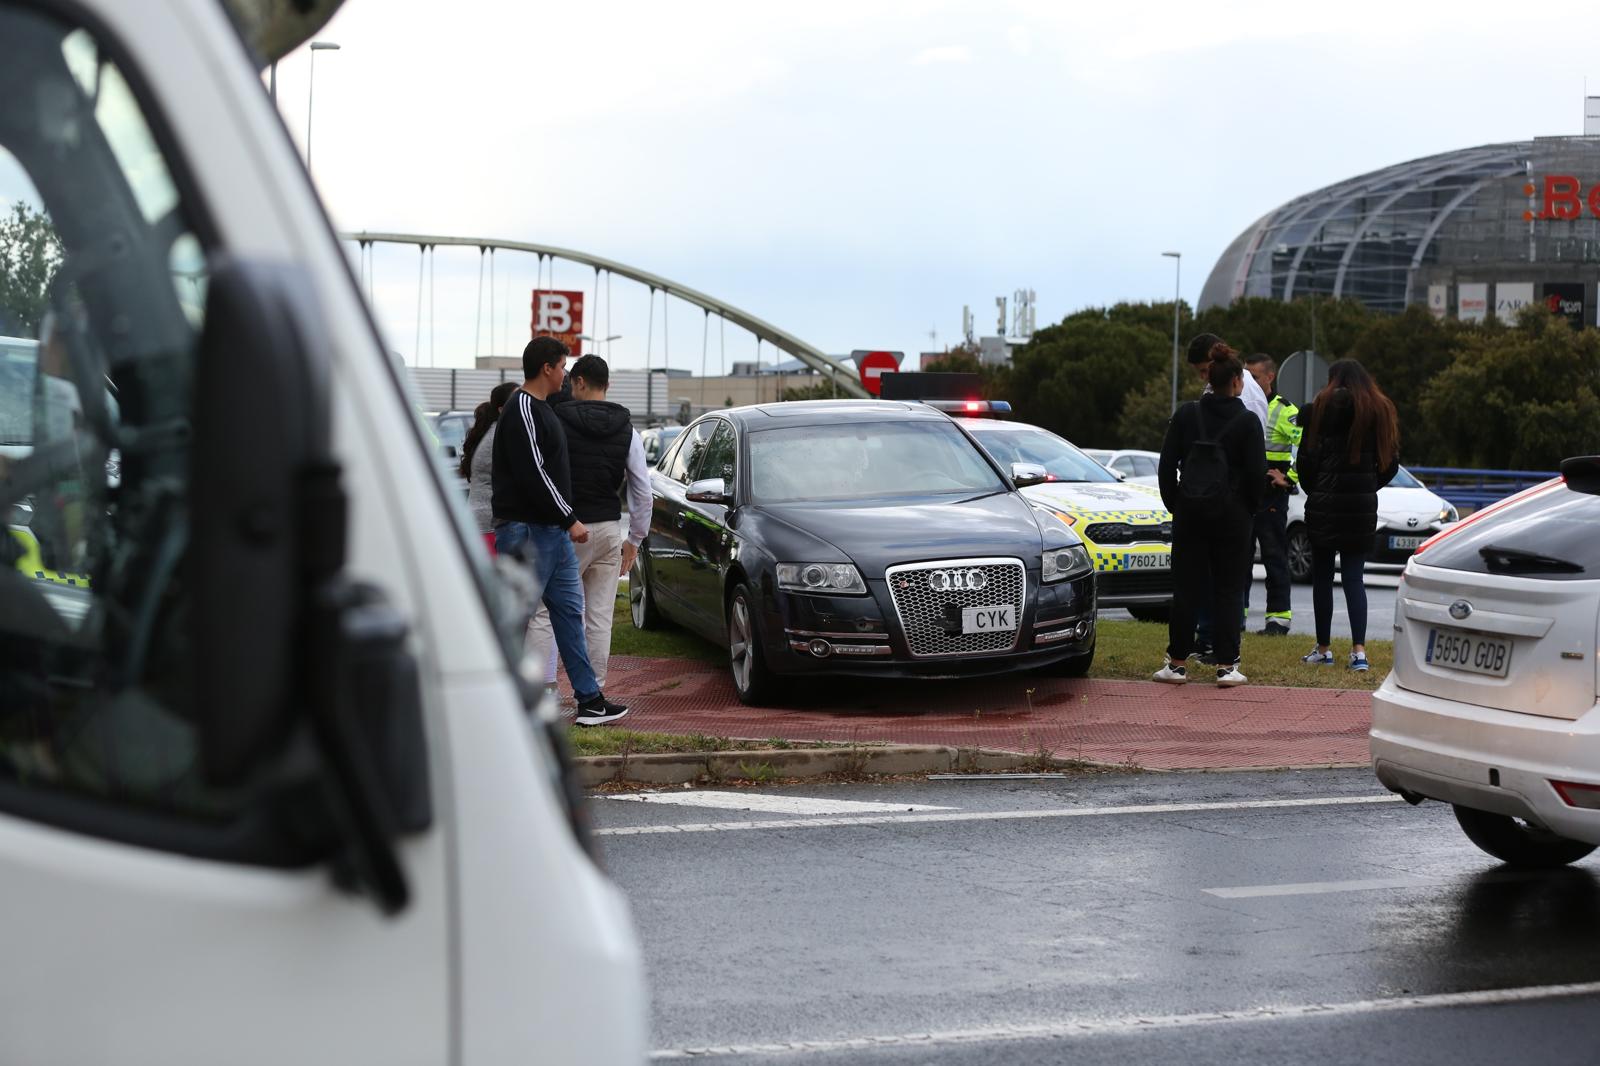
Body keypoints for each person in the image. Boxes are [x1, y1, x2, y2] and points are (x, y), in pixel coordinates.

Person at [492, 337, 629, 726]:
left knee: (570, 614)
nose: (567, 375)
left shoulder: (542, 407)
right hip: (530, 531)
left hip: (550, 531)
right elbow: (534, 471)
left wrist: (563, 521)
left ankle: (589, 700)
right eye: (563, 367)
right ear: (547, 368)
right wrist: (569, 517)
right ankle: (498, 699)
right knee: (517, 617)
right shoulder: (522, 408)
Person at [528, 354, 653, 690]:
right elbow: (642, 491)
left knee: (544, 612)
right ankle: (593, 691)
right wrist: (635, 540)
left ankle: (544, 690)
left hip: (565, 528)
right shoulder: (628, 430)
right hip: (609, 529)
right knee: (599, 617)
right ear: (607, 385)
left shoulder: (555, 420)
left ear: (579, 382)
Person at [1153, 352, 1266, 687]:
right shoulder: (1247, 421)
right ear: (1236, 382)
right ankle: (1226, 666)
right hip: (1233, 516)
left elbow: (1166, 464)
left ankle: (1176, 664)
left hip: (1190, 512)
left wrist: (1176, 503)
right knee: (1229, 589)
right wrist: (1249, 508)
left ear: (1209, 380)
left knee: (1187, 588)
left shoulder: (1187, 414)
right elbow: (1257, 472)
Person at [1295, 359, 1399, 673]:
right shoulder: (1379, 411)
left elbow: (1305, 462)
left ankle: (1324, 649)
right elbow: (1391, 464)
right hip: (1360, 509)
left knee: (1323, 579)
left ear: (1332, 380)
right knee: (1355, 579)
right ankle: (1359, 652)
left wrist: (1317, 489)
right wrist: (1368, 485)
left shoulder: (1318, 409)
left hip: (1324, 506)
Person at [1183, 333, 1268, 659]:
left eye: (1205, 370)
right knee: (1206, 574)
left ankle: (1222, 646)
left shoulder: (1246, 394)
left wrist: (1248, 504)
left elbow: (1253, 456)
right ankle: (1206, 637)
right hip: (1210, 496)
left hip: (1231, 501)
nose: (1203, 378)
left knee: (1228, 581)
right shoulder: (1219, 388)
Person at [1243, 353, 1300, 637]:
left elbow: (1305, 447)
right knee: (1238, 558)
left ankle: (1277, 621)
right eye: (1246, 376)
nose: (1248, 381)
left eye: (1254, 376)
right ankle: (1235, 618)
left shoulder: (1285, 410)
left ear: (1270, 377)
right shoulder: (1242, 405)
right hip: (1243, 493)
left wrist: (1288, 479)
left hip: (1271, 496)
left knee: (1274, 557)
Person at [462, 381, 517, 554]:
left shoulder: (495, 432)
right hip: (488, 523)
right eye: (517, 399)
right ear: (502, 410)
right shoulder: (500, 436)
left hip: (480, 520)